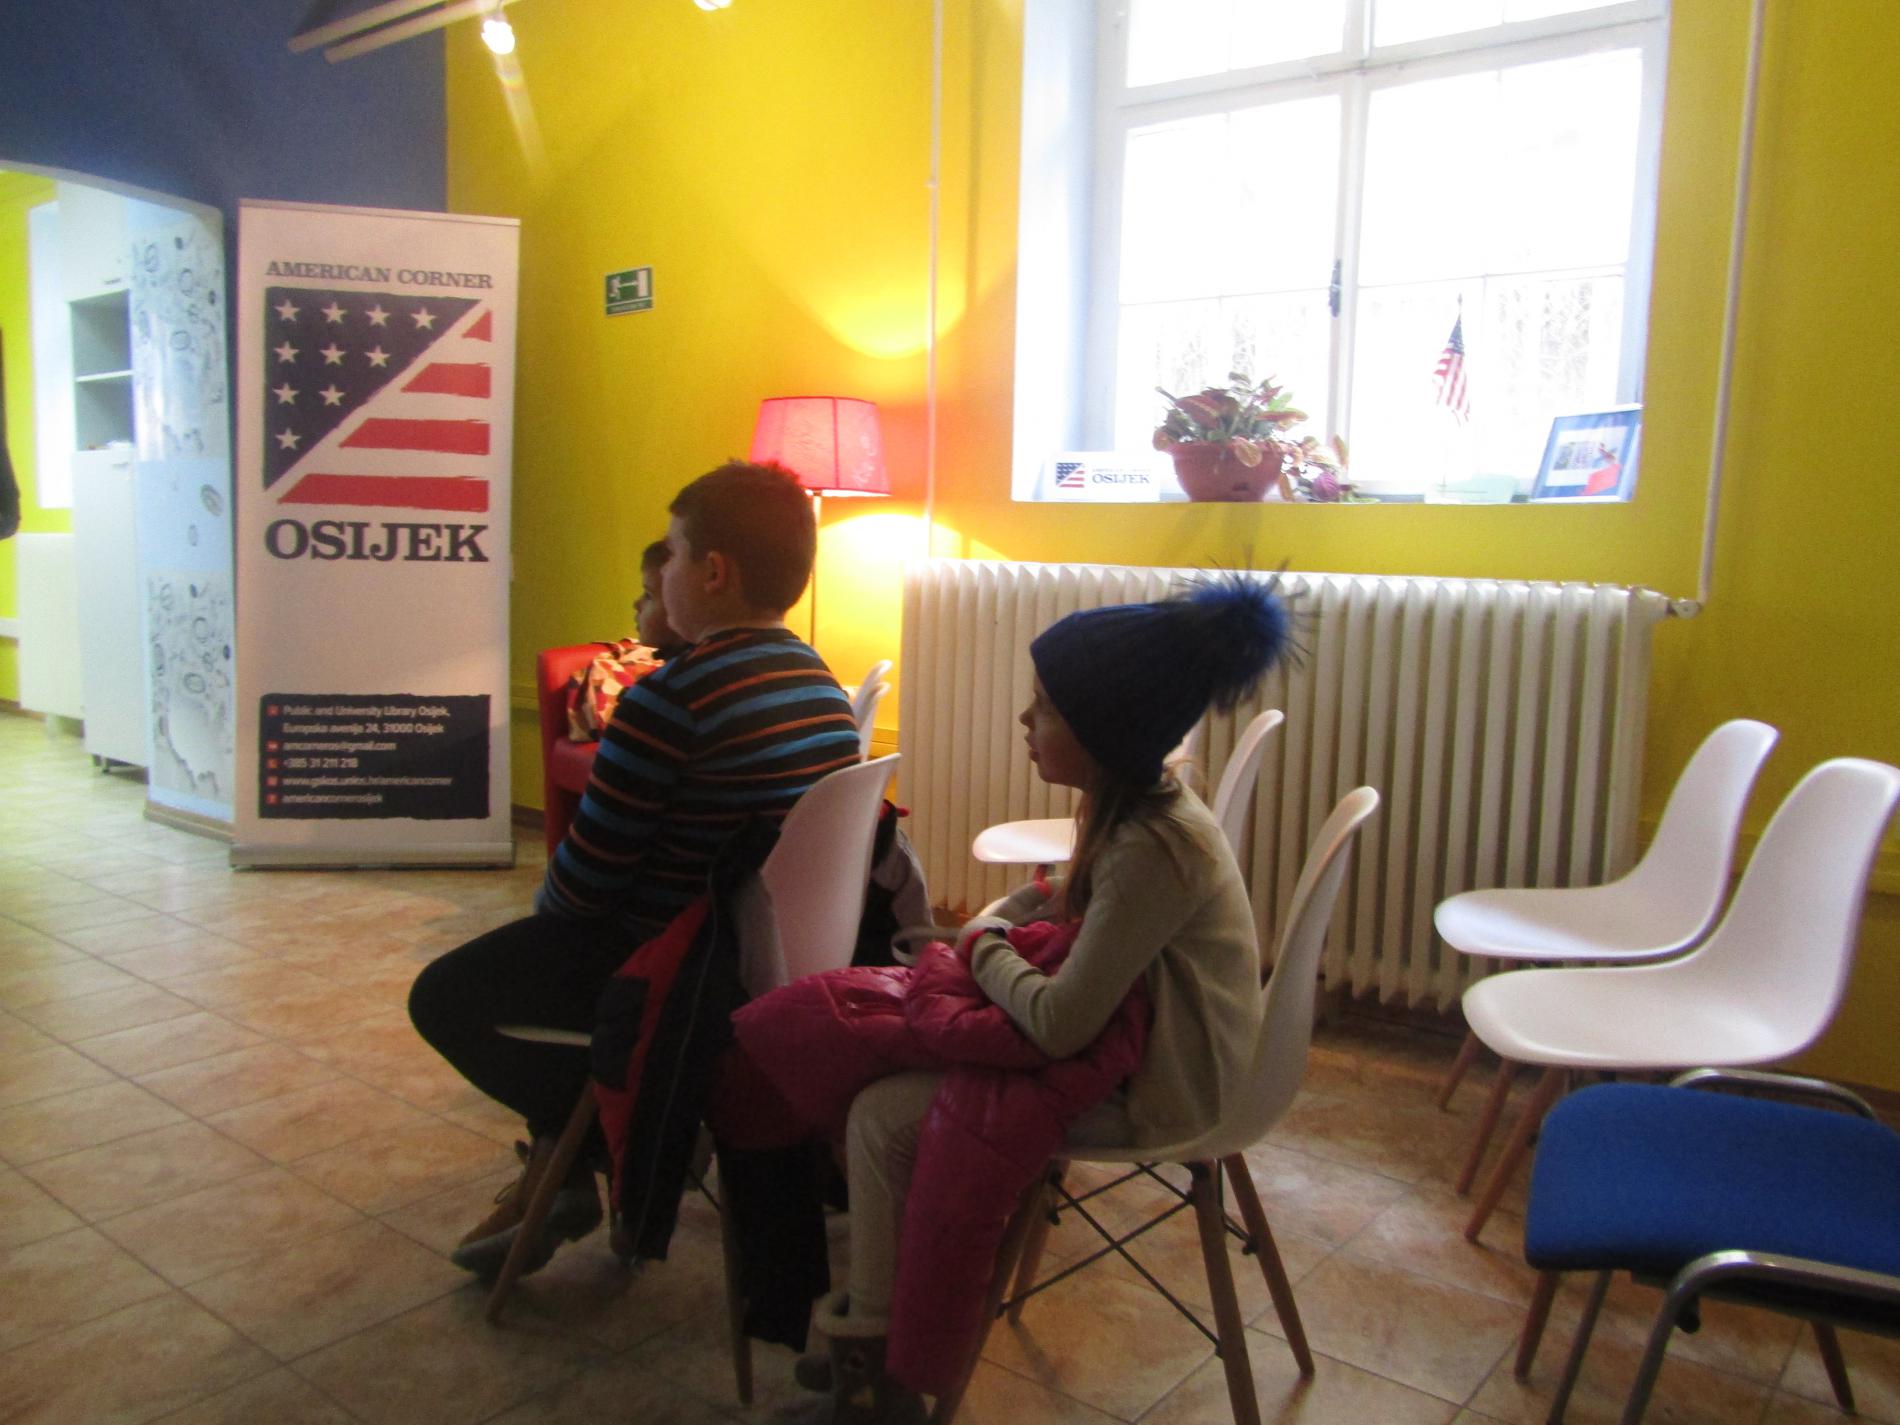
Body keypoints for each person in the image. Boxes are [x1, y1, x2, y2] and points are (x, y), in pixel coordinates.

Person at [800, 576, 1293, 1421]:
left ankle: (880, 1375)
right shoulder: (1146, 806)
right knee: (885, 1087)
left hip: (1172, 1087)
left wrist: (982, 944)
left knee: (881, 1116)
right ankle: (878, 1341)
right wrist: (1018, 909)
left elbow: (1061, 1023)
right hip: (1167, 1050)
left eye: (1049, 708)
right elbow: (1078, 892)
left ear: (1105, 731)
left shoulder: (1152, 849)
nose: (1026, 720)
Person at [409, 460, 863, 1279]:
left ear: (713, 572)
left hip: (674, 973)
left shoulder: (666, 701)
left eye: (674, 554)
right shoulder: (821, 683)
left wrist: (544, 911)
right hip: (770, 963)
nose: (664, 572)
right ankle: (579, 1149)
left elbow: (581, 891)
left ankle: (591, 1141)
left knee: (443, 995)